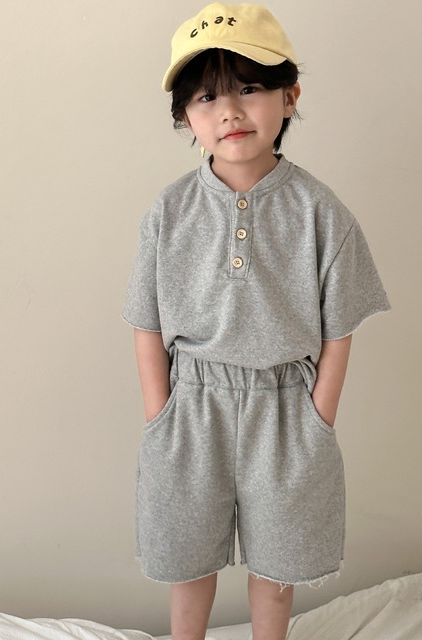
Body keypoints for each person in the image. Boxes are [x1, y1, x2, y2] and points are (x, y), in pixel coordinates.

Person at [122, 4, 390, 640]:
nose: (229, 112)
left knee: (279, 564)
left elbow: (339, 328)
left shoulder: (320, 211)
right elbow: (145, 323)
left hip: (287, 408)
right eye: (207, 97)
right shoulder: (170, 211)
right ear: (186, 117)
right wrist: (160, 412)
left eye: (249, 88)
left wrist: (318, 416)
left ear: (289, 96)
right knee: (189, 559)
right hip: (191, 405)